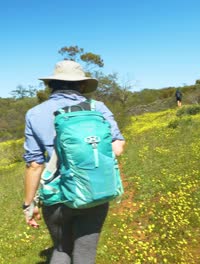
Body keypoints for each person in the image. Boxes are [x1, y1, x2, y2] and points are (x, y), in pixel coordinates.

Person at [22, 60, 126, 263]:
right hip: (93, 190)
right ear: (82, 85)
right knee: (85, 254)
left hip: (56, 197)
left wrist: (29, 204)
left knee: (61, 250)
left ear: (51, 84)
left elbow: (34, 164)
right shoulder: (98, 108)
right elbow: (118, 147)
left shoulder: (34, 114)